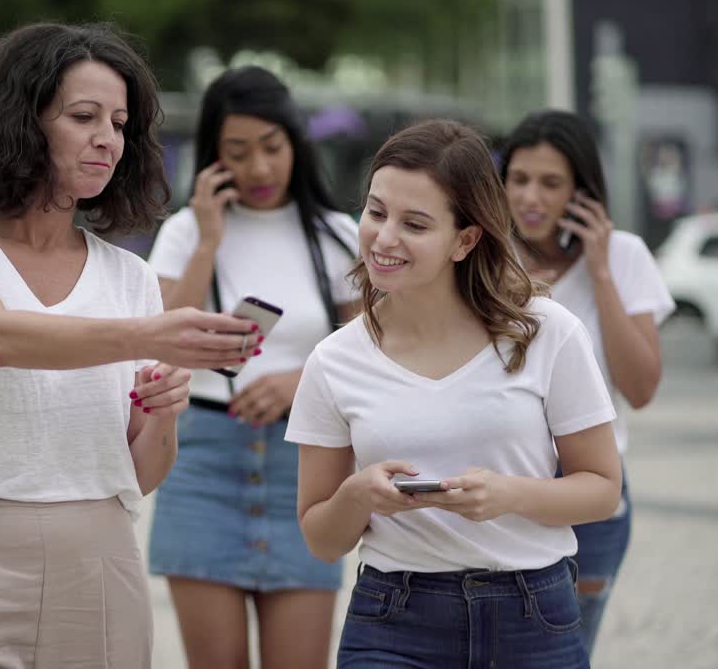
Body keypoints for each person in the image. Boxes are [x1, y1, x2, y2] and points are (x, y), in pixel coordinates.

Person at [0, 22, 261, 669]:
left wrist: (164, 412)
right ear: (21, 122)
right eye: (84, 116)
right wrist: (149, 335)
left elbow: (138, 475)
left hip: (98, 555)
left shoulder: (129, 276)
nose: (107, 140)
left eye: (119, 123)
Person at [287, 119, 623, 669]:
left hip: (533, 616)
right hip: (392, 620)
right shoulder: (333, 361)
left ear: (465, 240)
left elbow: (603, 490)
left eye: (415, 224)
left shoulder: (547, 332)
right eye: (375, 212)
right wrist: (358, 496)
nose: (384, 237)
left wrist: (510, 495)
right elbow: (322, 541)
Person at [146, 65, 359, 669]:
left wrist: (300, 381)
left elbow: (369, 347)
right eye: (237, 152)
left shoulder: (337, 235)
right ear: (213, 156)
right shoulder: (186, 232)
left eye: (272, 147)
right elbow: (159, 340)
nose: (259, 169)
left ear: (296, 143)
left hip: (305, 465)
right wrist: (209, 240)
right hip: (203, 459)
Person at [498, 109, 676, 654]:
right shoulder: (483, 259)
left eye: (551, 183)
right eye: (520, 179)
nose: (531, 197)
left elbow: (641, 388)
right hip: (503, 487)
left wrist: (599, 272)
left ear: (581, 193)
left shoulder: (624, 256)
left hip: (591, 497)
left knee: (565, 655)